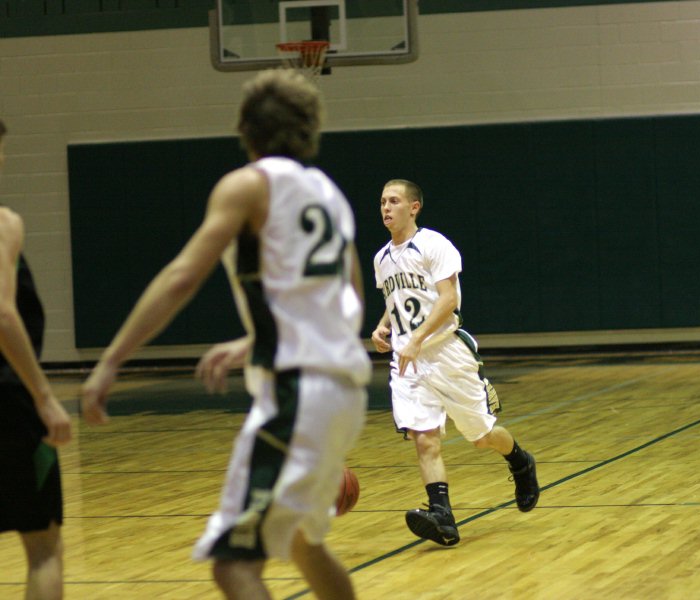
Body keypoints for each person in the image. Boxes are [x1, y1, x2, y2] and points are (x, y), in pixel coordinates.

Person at [80, 69, 372, 600]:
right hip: (345, 392)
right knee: (305, 545)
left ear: (246, 128)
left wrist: (112, 361)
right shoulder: (329, 195)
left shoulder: (246, 185)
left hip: (296, 393)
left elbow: (182, 276)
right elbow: (350, 297)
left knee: (233, 564)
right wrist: (254, 342)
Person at [370, 179, 539, 546]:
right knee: (424, 437)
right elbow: (398, 298)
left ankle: (520, 461)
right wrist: (384, 327)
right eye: (382, 201)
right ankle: (443, 518)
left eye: (394, 201)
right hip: (407, 360)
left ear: (414, 207)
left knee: (481, 437)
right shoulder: (381, 259)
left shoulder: (434, 244)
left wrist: (416, 339)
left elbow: (446, 300)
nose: (386, 207)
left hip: (446, 352)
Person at [0, 118, 72, 599]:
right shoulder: (3, 223)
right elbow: (3, 315)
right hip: (7, 400)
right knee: (44, 547)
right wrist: (44, 397)